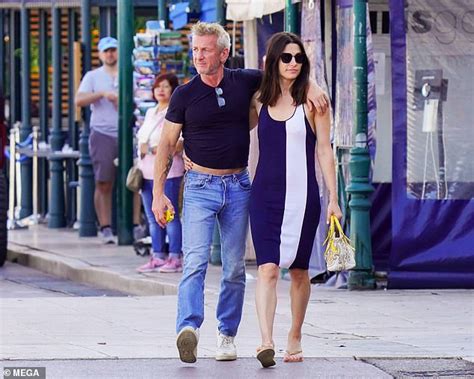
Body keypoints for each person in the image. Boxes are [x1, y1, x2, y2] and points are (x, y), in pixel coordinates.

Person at [151, 22, 329, 364]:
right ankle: (188, 329)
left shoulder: (246, 81)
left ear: (223, 52)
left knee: (234, 267)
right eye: (195, 50)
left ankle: (227, 335)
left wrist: (315, 86)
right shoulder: (183, 94)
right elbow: (166, 145)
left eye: (205, 49)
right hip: (200, 186)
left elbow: (287, 71)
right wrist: (159, 193)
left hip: (238, 186)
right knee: (195, 262)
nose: (198, 56)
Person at [248, 32, 343, 368]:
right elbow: (230, 126)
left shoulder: (314, 101)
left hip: (304, 198)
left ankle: (295, 334)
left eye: (298, 58)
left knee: (300, 272)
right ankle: (265, 341)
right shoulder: (258, 99)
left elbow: (324, 151)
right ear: (273, 60)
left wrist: (333, 197)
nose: (292, 64)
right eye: (286, 58)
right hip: (264, 196)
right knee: (268, 269)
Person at [136, 73, 184, 274]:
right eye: (157, 86)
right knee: (151, 215)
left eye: (165, 86)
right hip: (146, 172)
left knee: (169, 215)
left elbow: (179, 143)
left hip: (168, 172)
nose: (161, 90)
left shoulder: (175, 112)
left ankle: (175, 256)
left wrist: (158, 149)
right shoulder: (151, 112)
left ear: (173, 90)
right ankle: (157, 255)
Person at [76, 37, 119, 244]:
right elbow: (79, 100)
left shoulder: (128, 73)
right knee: (103, 182)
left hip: (129, 132)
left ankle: (137, 224)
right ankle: (106, 227)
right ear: (100, 54)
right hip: (102, 133)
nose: (110, 54)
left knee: (138, 181)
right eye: (106, 51)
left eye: (113, 50)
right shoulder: (92, 76)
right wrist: (101, 94)